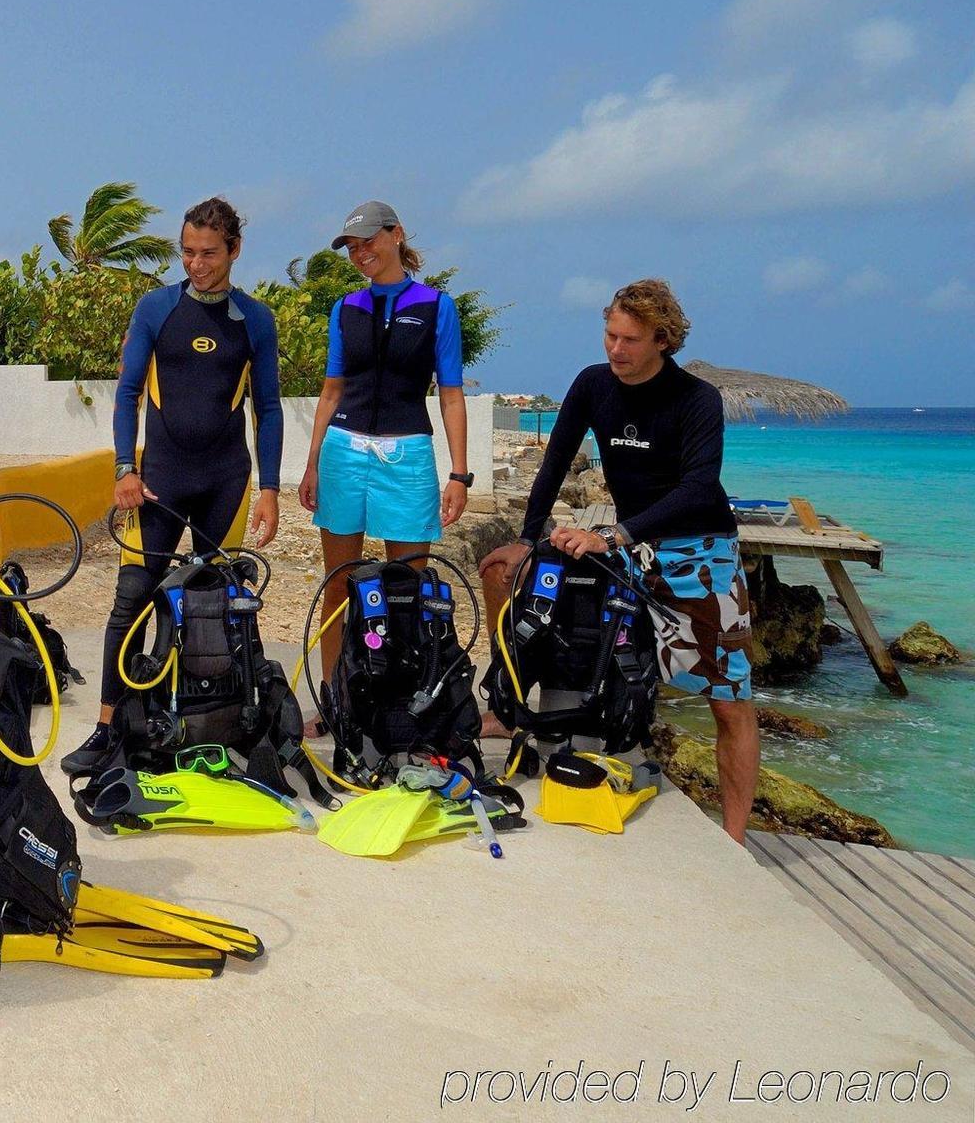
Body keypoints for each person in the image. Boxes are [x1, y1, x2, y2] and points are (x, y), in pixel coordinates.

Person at [478, 279, 758, 842]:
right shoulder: (592, 384)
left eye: (629, 340)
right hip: (627, 549)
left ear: (662, 339)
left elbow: (700, 485)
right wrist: (531, 539)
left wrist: (617, 533)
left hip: (699, 556)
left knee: (730, 701)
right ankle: (511, 706)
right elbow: (554, 464)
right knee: (501, 574)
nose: (616, 350)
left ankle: (734, 837)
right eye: (610, 335)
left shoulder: (697, 399)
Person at [62, 197, 283, 776]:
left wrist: (270, 488)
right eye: (187, 252)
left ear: (234, 250)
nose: (196, 264)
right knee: (132, 599)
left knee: (219, 606)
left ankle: (211, 721)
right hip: (158, 481)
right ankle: (108, 726)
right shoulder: (156, 308)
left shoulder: (254, 318)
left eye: (209, 253)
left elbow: (268, 407)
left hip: (225, 481)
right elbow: (129, 391)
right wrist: (122, 469)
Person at [299, 200, 472, 691]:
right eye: (352, 247)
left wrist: (459, 473)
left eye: (368, 241)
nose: (360, 253)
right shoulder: (345, 308)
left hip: (408, 456)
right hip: (343, 455)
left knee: (406, 590)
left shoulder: (437, 306)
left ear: (396, 234)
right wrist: (311, 464)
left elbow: (451, 395)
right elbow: (332, 391)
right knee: (338, 586)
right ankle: (335, 698)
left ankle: (401, 699)